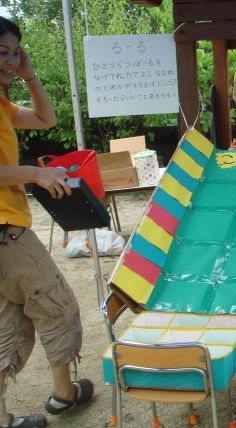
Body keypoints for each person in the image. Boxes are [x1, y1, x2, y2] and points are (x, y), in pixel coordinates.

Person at [0, 17, 93, 428]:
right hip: (7, 231)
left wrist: (29, 75)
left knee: (10, 322)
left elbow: (45, 119)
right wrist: (36, 174)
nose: (10, 60)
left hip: (5, 230)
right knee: (56, 305)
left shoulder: (3, 106)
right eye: (2, 52)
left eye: (14, 52)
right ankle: (64, 395)